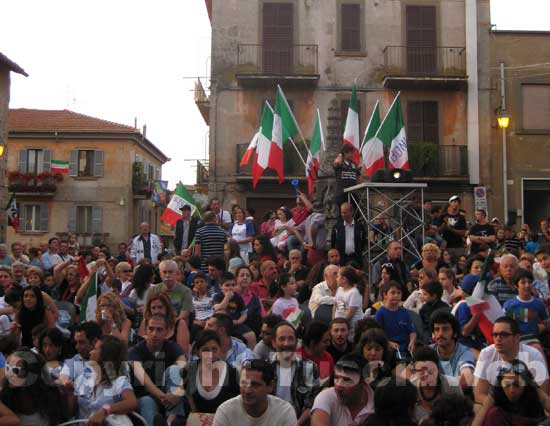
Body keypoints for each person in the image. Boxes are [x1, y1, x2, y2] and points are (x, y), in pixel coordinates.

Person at [473, 316, 550, 404]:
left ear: (517, 337)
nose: (498, 338)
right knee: (477, 408)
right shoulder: (486, 353)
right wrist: (504, 408)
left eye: (504, 335)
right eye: (495, 334)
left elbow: (544, 393)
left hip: (528, 407)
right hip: (498, 408)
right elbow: (479, 395)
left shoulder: (533, 355)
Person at [129, 314, 186, 425]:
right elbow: (144, 380)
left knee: (174, 370)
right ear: (145, 330)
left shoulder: (173, 347)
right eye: (151, 329)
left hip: (171, 395)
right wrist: (163, 397)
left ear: (167, 332)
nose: (154, 334)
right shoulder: (135, 351)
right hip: (148, 396)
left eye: (159, 330)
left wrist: (178, 393)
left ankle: (171, 422)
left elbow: (185, 369)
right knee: (147, 401)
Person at [213, 359, 297, 426]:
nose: (247, 391)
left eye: (255, 385)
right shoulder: (225, 411)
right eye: (243, 383)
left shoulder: (285, 412)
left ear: (270, 386)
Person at [74, 335, 138, 423]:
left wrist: (105, 411)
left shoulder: (118, 381)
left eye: (95, 349)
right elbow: (70, 412)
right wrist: (69, 393)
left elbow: (132, 402)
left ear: (105, 356)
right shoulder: (84, 377)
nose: (90, 352)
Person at [472, 359, 550, 426]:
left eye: (517, 385)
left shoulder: (533, 390)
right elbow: (479, 418)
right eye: (507, 385)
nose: (512, 390)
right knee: (492, 414)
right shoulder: (496, 392)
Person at [270, 321, 320, 425]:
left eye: (290, 338)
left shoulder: (309, 367)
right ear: (274, 343)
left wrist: (296, 424)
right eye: (282, 339)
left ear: (297, 342)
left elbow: (311, 404)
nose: (287, 343)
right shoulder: (265, 367)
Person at [1, 348, 67, 425]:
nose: (9, 374)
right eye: (8, 368)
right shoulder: (5, 395)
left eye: (16, 370)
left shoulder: (49, 394)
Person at [183, 330, 239, 415]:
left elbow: (236, 405)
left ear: (220, 350)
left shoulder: (232, 372)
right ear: (197, 352)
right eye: (205, 350)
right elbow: (191, 404)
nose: (211, 355)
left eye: (214, 349)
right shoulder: (189, 370)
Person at [310, 354, 375, 426]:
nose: (338, 386)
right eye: (336, 377)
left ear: (364, 383)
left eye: (347, 380)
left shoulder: (378, 402)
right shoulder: (326, 397)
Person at [408, 346, 463, 423]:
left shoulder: (452, 385)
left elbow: (462, 414)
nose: (427, 375)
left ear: (438, 369)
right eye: (421, 372)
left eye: (431, 371)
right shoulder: (409, 389)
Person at [503, 268, 549, 353]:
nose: (527, 285)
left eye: (529, 282)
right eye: (523, 282)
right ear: (516, 286)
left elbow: (547, 324)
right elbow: (506, 327)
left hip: (534, 341)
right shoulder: (509, 305)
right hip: (516, 342)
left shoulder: (538, 303)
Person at [429, 310, 475, 389]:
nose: (440, 333)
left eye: (445, 329)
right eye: (437, 329)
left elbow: (468, 379)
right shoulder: (428, 350)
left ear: (455, 333)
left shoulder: (464, 352)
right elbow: (405, 374)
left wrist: (432, 382)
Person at [213, 272, 257, 349]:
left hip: (235, 324)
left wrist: (238, 321)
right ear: (220, 286)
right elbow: (218, 308)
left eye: (233, 285)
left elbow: (244, 314)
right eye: (227, 285)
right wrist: (227, 297)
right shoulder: (217, 297)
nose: (230, 288)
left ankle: (251, 356)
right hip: (222, 324)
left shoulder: (238, 297)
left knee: (251, 335)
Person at [374, 281, 417, 355]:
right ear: (385, 295)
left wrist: (412, 342)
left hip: (406, 348)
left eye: (399, 293)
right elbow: (377, 335)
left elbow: (412, 331)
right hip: (389, 349)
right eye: (393, 293)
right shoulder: (380, 313)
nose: (396, 295)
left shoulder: (405, 312)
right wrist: (389, 343)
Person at [59, 321, 102, 386]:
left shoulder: (109, 361)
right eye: (76, 342)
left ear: (95, 341)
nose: (76, 347)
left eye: (81, 342)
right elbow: (64, 376)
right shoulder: (75, 360)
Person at [330, 202, 366, 267]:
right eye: (342, 212)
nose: (343, 215)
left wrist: (359, 251)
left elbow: (363, 241)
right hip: (341, 259)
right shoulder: (337, 227)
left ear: (351, 212)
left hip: (355, 258)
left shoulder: (359, 226)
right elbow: (333, 242)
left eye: (345, 212)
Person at [333, 266, 363, 341]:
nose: (336, 279)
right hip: (339, 323)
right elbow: (335, 305)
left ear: (344, 279)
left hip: (351, 325)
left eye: (338, 277)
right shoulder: (339, 289)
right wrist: (333, 320)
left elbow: (351, 312)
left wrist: (342, 323)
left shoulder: (354, 292)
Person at [236, 265, 264, 337]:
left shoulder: (255, 298)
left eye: (248, 276)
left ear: (251, 280)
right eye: (242, 275)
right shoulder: (231, 296)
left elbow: (263, 317)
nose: (245, 278)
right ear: (236, 278)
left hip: (254, 334)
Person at [436, 195, 467, 261]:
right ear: (450, 203)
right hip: (446, 246)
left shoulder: (461, 217)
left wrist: (450, 228)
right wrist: (444, 223)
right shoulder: (443, 216)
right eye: (454, 202)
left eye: (458, 202)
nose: (456, 204)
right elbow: (438, 230)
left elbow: (463, 232)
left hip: (458, 246)